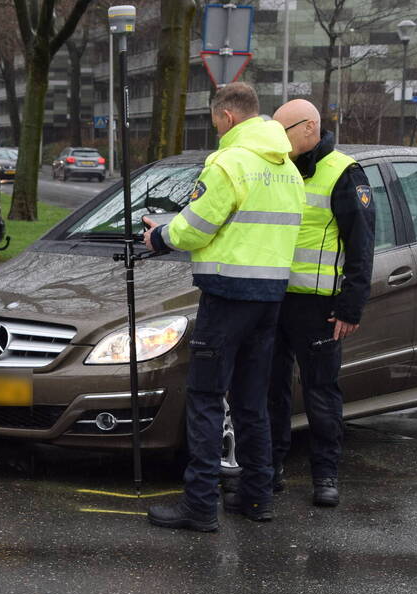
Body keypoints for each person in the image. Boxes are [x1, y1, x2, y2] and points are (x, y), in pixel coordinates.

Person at [142, 82, 305, 531]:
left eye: (215, 120)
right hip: (270, 297)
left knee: (206, 397)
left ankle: (199, 505)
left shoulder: (228, 163)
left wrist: (160, 235)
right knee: (252, 401)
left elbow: (195, 228)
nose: (216, 128)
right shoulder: (287, 168)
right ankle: (256, 496)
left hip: (227, 296)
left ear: (227, 116)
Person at [267, 99, 375, 507]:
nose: (279, 140)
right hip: (272, 299)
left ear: (309, 127)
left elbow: (362, 245)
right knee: (270, 390)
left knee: (321, 393)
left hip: (318, 307)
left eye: (284, 131)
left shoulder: (343, 172)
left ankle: (325, 475)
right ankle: (269, 470)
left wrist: (350, 306)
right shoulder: (277, 167)